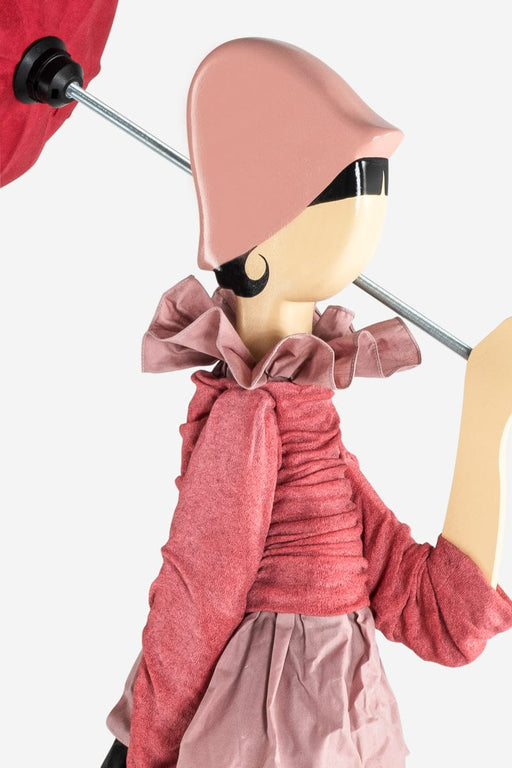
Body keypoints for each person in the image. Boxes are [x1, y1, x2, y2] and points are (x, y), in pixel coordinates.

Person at [101, 37, 512, 768]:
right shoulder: (249, 418)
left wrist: (485, 415)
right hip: (271, 735)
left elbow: (436, 611)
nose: (368, 215)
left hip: (348, 728)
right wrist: (146, 750)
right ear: (254, 252)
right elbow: (197, 597)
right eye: (345, 192)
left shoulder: (304, 419)